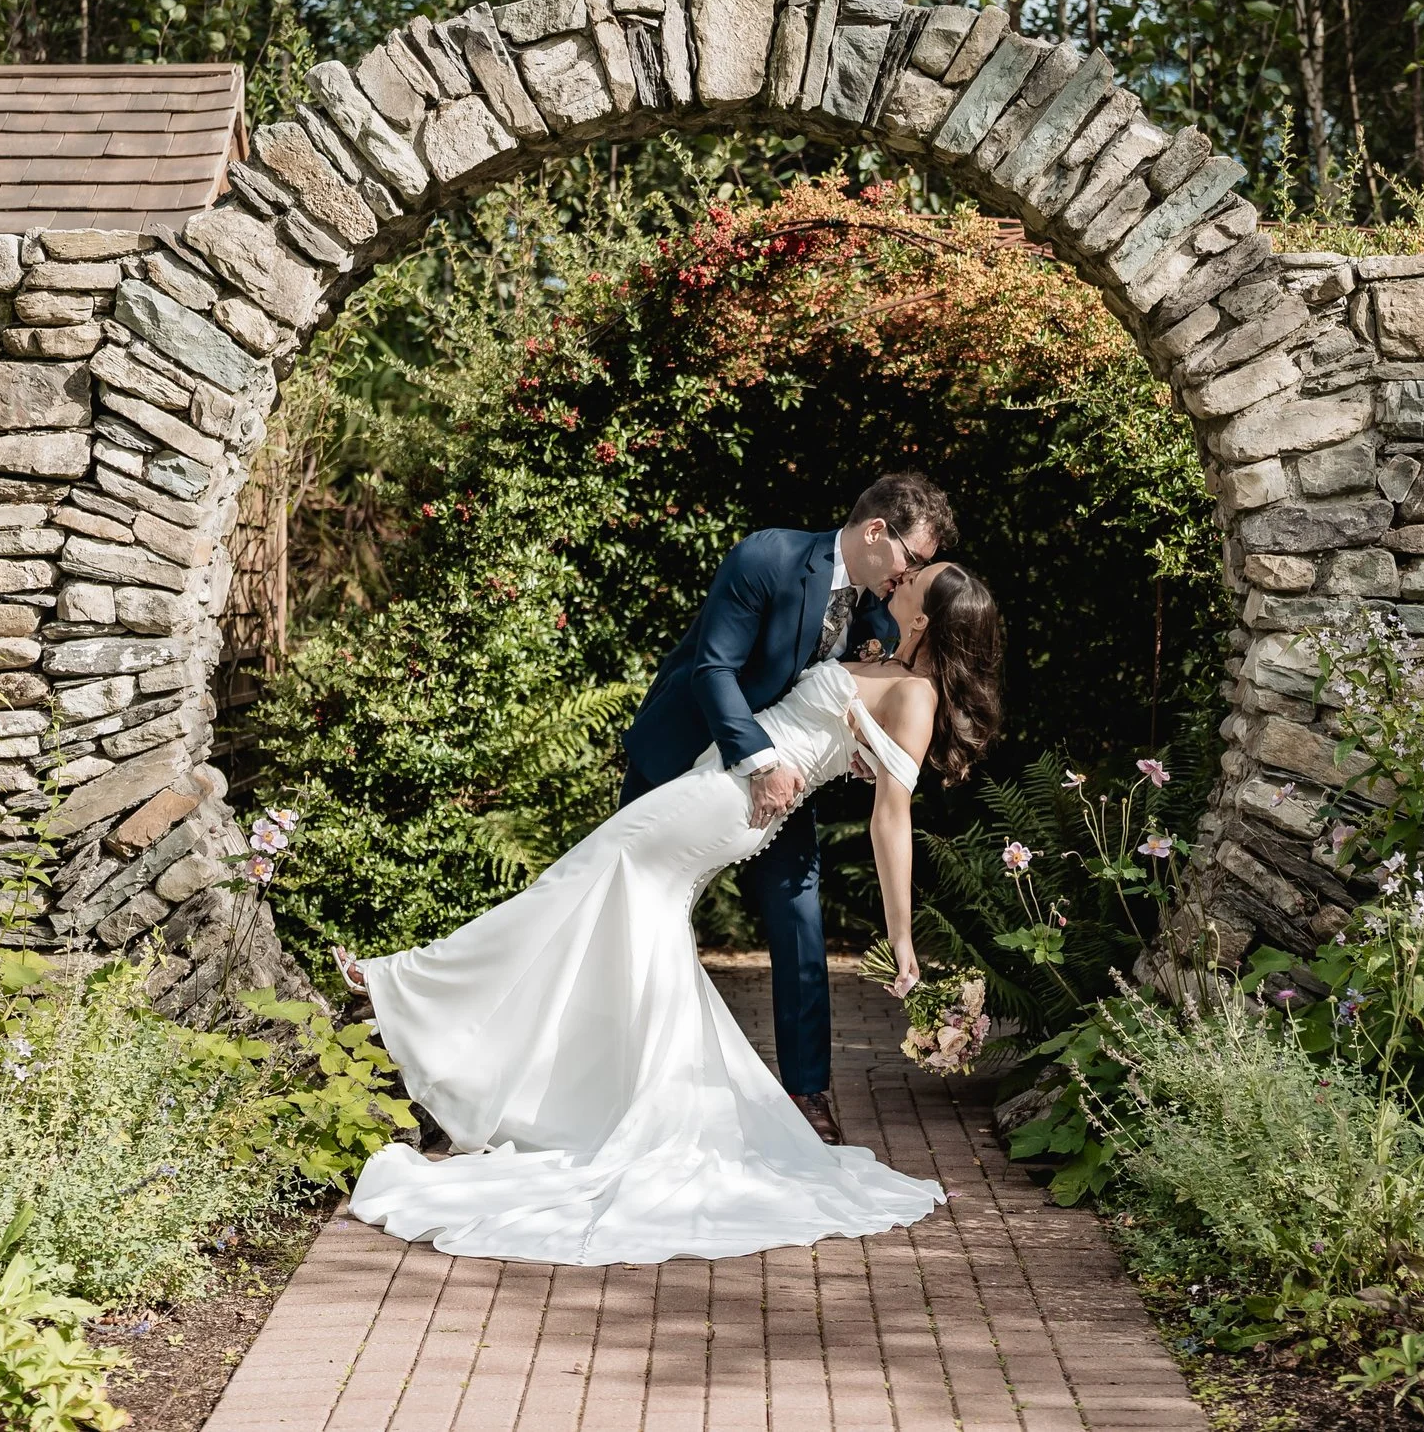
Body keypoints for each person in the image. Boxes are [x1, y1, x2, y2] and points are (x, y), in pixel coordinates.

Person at [334, 553, 1005, 1266]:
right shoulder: (885, 659)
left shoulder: (917, 698)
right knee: (635, 922)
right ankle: (639, 1105)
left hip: (730, 801)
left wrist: (901, 938)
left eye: (916, 583)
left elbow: (889, 822)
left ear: (926, 619)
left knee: (579, 880)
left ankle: (403, 983)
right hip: (721, 778)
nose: (902, 579)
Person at [621, 472, 960, 1144]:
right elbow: (712, 670)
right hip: (688, 761)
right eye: (912, 560)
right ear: (874, 533)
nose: (910, 576)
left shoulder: (875, 609)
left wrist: (861, 743)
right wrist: (763, 762)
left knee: (801, 920)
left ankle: (808, 1095)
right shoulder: (767, 558)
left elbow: (851, 697)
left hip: (782, 791)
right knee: (628, 908)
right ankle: (625, 1074)